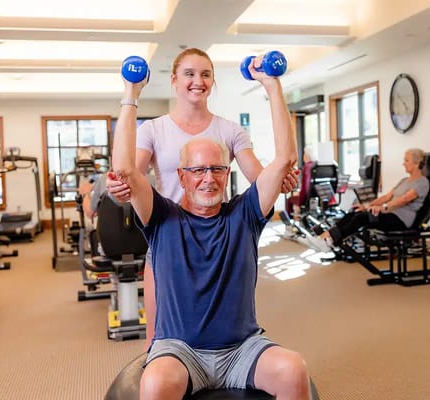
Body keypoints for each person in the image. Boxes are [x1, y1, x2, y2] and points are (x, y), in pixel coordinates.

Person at [110, 54, 311, 400]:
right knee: (155, 380)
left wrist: (271, 84)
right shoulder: (162, 217)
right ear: (180, 177)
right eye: (198, 171)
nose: (208, 178)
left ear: (226, 173)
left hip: (242, 348)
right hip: (180, 347)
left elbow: (282, 162)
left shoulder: (243, 215)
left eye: (217, 169)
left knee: (294, 368)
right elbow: (126, 170)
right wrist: (131, 93)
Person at [310, 148, 429, 252]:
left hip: (401, 220)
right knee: (355, 213)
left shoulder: (422, 182)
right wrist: (366, 206)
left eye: (406, 160)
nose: (403, 163)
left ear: (417, 163)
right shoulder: (404, 180)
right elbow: (386, 197)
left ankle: (329, 241)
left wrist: (383, 207)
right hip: (389, 214)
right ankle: (324, 237)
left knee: (361, 218)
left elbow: (404, 199)